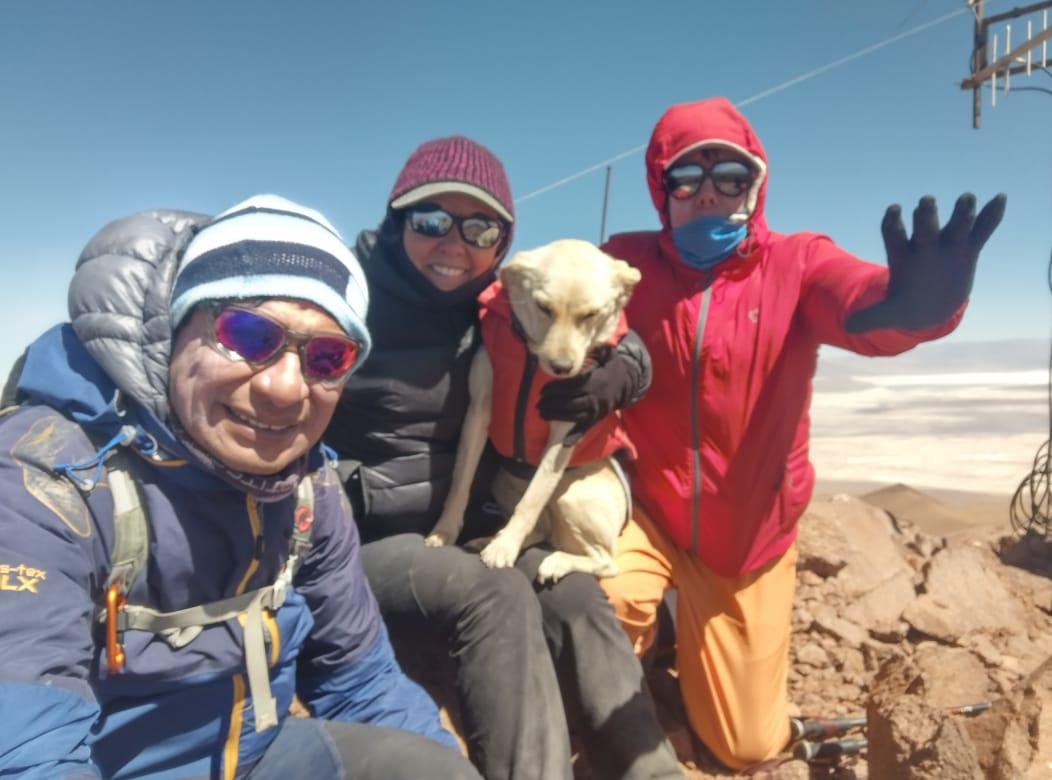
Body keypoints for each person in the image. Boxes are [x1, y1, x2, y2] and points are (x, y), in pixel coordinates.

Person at [0, 195, 482, 780]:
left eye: (328, 357)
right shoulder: (51, 478)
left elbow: (359, 679)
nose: (285, 387)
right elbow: (26, 747)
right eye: (248, 334)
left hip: (257, 757)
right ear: (175, 329)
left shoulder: (308, 488)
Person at [597, 97, 1006, 770]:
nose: (708, 195)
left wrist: (917, 307)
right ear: (659, 189)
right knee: (599, 603)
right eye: (685, 179)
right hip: (647, 516)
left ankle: (688, 631)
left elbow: (858, 303)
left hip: (747, 540)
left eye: (730, 175)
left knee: (746, 746)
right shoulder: (625, 266)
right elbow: (542, 304)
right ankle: (649, 638)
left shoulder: (796, 262)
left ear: (757, 184)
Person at [324, 136, 681, 780]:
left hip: (486, 512)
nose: (454, 245)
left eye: (479, 227)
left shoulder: (505, 300)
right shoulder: (343, 297)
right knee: (496, 593)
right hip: (378, 532)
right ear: (396, 219)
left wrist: (627, 367)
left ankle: (651, 771)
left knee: (575, 598)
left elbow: (600, 324)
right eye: (430, 220)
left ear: (502, 245)